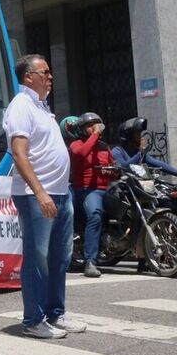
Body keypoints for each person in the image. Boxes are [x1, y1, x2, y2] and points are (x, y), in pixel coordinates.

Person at [2, 54, 86, 339]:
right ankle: (33, 320)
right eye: (45, 72)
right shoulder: (21, 107)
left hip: (61, 193)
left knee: (60, 258)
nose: (50, 76)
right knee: (38, 258)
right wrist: (40, 193)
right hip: (37, 195)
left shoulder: (42, 106)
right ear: (29, 77)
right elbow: (19, 154)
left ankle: (55, 314)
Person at [69, 112, 114, 278]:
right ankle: (90, 262)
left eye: (96, 125)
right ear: (81, 129)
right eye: (89, 125)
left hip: (106, 189)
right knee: (95, 215)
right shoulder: (76, 144)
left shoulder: (104, 147)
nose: (93, 127)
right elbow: (81, 153)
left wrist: (114, 171)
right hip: (88, 190)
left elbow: (113, 166)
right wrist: (95, 134)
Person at [112, 117, 177, 178]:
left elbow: (157, 163)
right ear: (128, 136)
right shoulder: (117, 151)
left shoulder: (138, 153)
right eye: (137, 134)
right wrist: (140, 153)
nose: (140, 137)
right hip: (124, 191)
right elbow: (124, 168)